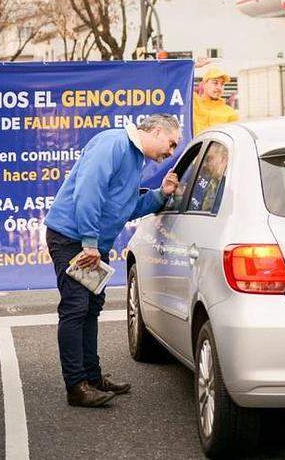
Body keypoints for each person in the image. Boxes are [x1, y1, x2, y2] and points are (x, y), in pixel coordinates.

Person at [44, 113, 181, 407]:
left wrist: (160, 195)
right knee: (75, 308)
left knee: (91, 307)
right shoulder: (113, 144)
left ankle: (91, 378)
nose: (171, 152)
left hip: (89, 243)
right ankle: (76, 386)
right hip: (74, 240)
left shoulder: (134, 158)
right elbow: (87, 193)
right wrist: (90, 243)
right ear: (157, 131)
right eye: (171, 144)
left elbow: (125, 207)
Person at [192, 65, 239, 135]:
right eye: (215, 83)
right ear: (204, 84)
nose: (219, 88)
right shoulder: (193, 102)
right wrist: (193, 65)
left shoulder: (230, 113)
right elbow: (176, 78)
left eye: (222, 84)